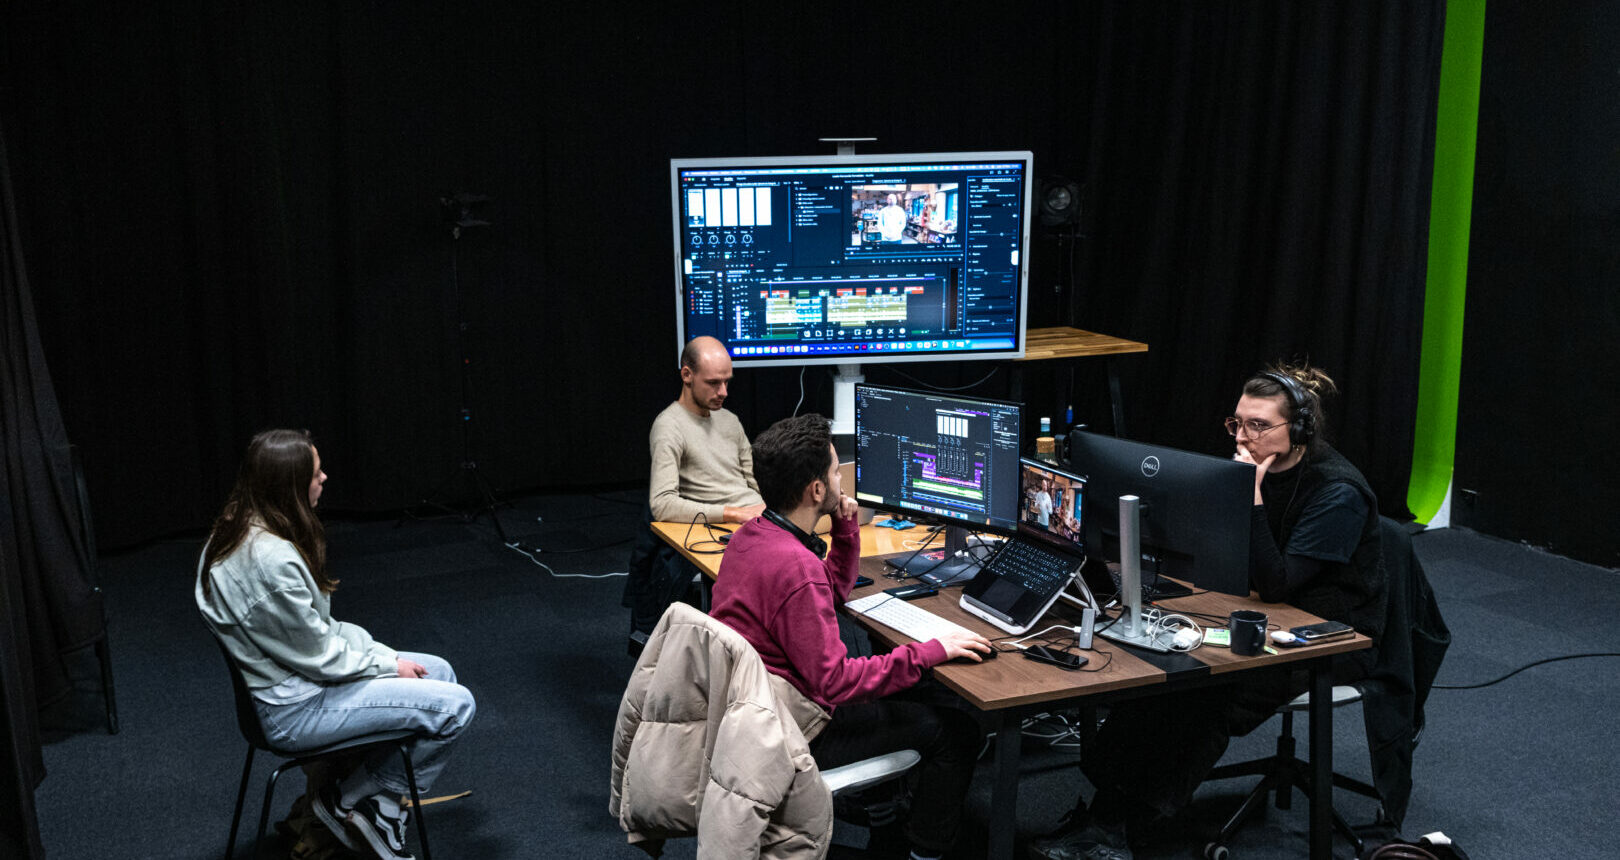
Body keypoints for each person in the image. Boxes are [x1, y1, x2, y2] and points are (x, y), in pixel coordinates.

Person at [1031, 362, 1385, 860]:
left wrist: (1249, 494)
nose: (1242, 437)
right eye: (1237, 423)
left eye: (1259, 426)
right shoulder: (1249, 469)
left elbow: (1279, 584)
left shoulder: (1337, 492)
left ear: (1300, 429)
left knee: (1203, 692)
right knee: (1156, 673)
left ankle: (1123, 827)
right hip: (1256, 612)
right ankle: (1107, 816)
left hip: (1328, 636)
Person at [709, 414, 992, 860]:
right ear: (815, 490)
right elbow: (836, 682)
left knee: (916, 693)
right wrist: (928, 652)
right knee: (956, 732)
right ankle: (923, 853)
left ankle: (885, 812)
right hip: (798, 730)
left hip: (755, 714)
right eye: (836, 472)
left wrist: (844, 530)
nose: (842, 479)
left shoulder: (753, 536)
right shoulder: (796, 568)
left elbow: (829, 592)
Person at [196, 430, 475, 860]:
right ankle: (347, 800)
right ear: (289, 485)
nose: (324, 478)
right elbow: (322, 657)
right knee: (457, 708)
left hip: (297, 682)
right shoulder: (269, 561)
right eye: (315, 473)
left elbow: (320, 633)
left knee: (439, 671)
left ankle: (379, 809)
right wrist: (387, 665)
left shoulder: (238, 525)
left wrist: (385, 657)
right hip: (295, 708)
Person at [648, 335, 765, 525]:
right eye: (713, 383)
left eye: (726, 382)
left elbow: (755, 479)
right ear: (687, 375)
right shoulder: (669, 426)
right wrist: (733, 514)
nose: (724, 392)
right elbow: (662, 504)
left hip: (760, 515)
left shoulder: (729, 419)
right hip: (732, 523)